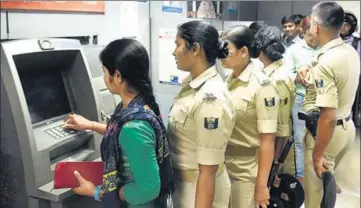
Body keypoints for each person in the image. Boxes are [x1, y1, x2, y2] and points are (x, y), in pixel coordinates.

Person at [63, 39, 174, 207]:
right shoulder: (139, 105)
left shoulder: (134, 127)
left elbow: (148, 188)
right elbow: (122, 135)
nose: (104, 78)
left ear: (117, 76)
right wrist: (91, 125)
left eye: (105, 72)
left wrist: (97, 192)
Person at [296, 2, 360, 207]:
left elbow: (328, 116)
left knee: (315, 198)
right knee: (326, 196)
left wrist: (317, 154)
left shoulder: (327, 61)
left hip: (325, 134)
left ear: (315, 26)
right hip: (346, 126)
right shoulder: (348, 51)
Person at [168, 20, 235, 208]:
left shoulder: (210, 98)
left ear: (195, 49)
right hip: (185, 186)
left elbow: (208, 170)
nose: (174, 52)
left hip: (198, 191)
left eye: (178, 44)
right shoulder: (192, 85)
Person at [220, 25, 279, 208]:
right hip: (222, 164)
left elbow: (268, 140)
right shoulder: (228, 79)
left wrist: (261, 186)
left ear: (243, 51)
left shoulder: (262, 86)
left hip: (246, 170)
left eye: (226, 49)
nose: (221, 54)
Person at [283, 16, 319, 184]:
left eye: (316, 34)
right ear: (303, 31)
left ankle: (318, 172)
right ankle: (300, 175)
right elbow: (286, 75)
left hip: (320, 100)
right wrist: (297, 78)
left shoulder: (324, 49)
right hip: (300, 99)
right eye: (310, 35)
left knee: (319, 139)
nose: (314, 38)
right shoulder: (293, 50)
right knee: (299, 139)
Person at [255, 26, 295, 174]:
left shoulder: (279, 79)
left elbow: (281, 128)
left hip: (270, 150)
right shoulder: (265, 71)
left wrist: (273, 164)